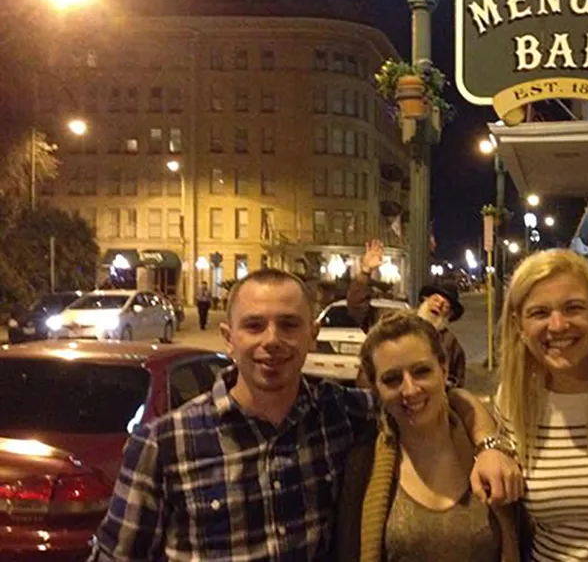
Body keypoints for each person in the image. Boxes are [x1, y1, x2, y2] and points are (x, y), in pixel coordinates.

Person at [87, 268, 521, 562]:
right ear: (228, 337)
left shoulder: (342, 414)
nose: (272, 340)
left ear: (312, 335)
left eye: (289, 325)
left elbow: (438, 399)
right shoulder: (166, 444)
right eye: (254, 325)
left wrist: (488, 443)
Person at [494, 249, 588, 561]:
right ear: (518, 325)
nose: (558, 325)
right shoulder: (513, 400)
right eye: (539, 313)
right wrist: (489, 447)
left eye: (573, 307)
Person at [336, 312, 520, 562]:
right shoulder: (362, 465)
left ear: (443, 370)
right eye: (392, 379)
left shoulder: (490, 447)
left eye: (421, 371)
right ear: (375, 387)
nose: (410, 389)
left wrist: (489, 443)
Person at [349, 239, 467, 387]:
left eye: (446, 306)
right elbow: (358, 308)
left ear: (449, 315)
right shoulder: (394, 322)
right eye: (435, 298)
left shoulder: (452, 346)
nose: (439, 304)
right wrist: (365, 272)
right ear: (424, 300)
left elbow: (456, 386)